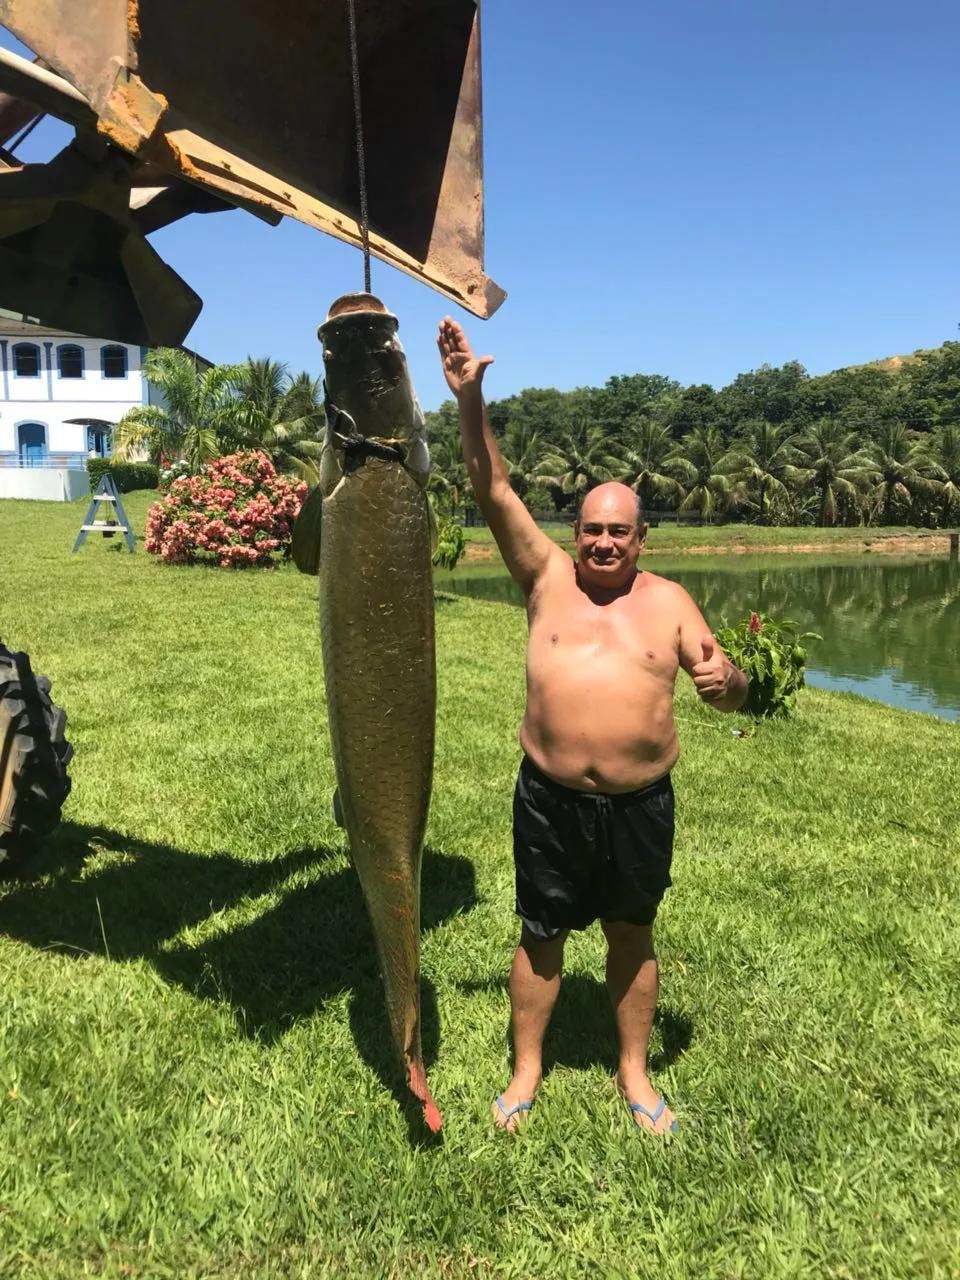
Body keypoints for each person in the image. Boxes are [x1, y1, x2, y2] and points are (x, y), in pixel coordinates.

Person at [437, 317, 749, 1135]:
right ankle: (527, 1069)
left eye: (620, 530)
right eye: (592, 528)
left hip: (641, 806)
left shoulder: (671, 602)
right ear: (574, 532)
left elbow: (727, 688)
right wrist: (472, 400)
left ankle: (636, 1074)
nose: (604, 541)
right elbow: (490, 486)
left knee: (631, 934)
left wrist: (730, 682)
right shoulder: (544, 577)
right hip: (549, 798)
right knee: (541, 934)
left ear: (643, 537)